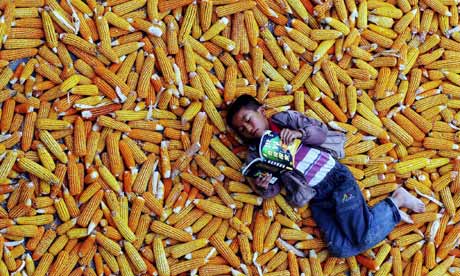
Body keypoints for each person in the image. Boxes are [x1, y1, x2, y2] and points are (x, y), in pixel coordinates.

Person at [226, 94, 426, 257]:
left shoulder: (286, 120)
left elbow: (320, 133)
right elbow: (273, 189)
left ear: (261, 112)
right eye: (242, 129)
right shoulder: (256, 155)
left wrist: (299, 134)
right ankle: (381, 217)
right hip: (317, 197)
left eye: (248, 120)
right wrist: (263, 186)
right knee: (339, 248)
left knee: (362, 236)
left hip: (336, 180)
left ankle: (396, 201)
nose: (249, 129)